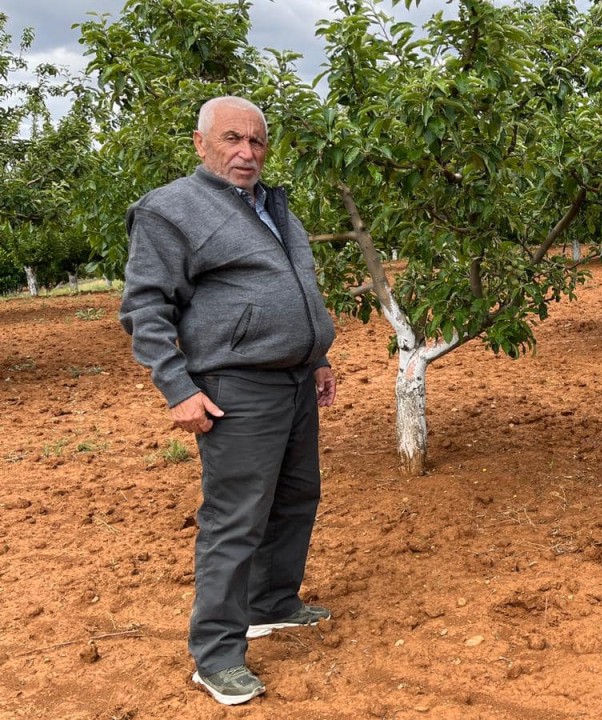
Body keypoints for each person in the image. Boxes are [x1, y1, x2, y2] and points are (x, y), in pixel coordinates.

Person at [119, 96, 338, 706]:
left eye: (257, 142)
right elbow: (145, 308)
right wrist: (178, 389)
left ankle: (272, 602)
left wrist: (314, 356)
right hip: (234, 386)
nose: (246, 153)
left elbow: (296, 290)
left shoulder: (273, 205)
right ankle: (215, 654)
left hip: (292, 380)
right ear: (200, 143)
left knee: (296, 496)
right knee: (235, 518)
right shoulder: (170, 211)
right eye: (232, 140)